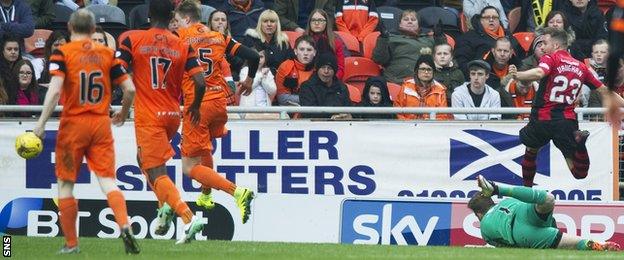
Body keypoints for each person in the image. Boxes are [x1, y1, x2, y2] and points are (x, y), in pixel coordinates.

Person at [31, 8, 138, 254]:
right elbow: (130, 90)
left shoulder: (63, 52)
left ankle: (71, 244)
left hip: (73, 125)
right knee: (108, 180)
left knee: (66, 184)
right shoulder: (107, 53)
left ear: (69, 28)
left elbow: (56, 90)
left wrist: (41, 123)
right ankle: (124, 224)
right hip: (100, 124)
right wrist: (123, 112)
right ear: (93, 30)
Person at [154, 0, 257, 233]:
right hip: (220, 103)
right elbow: (251, 55)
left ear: (187, 19)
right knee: (204, 150)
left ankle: (237, 192)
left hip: (198, 105)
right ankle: (206, 195)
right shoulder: (218, 36)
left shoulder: (178, 38)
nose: (176, 24)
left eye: (178, 21)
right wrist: (249, 78)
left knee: (190, 167)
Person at [116, 0, 207, 244]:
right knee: (142, 159)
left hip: (149, 116)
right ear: (171, 16)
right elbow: (200, 82)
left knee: (156, 171)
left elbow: (118, 70)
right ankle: (164, 207)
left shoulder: (131, 38)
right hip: (172, 115)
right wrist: (195, 106)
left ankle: (188, 217)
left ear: (147, 14)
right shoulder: (182, 44)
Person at [508, 27, 624, 187]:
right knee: (579, 173)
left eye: (545, 43)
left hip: (542, 118)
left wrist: (517, 75)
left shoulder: (551, 58)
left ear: (556, 45)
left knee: (530, 151)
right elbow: (606, 91)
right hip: (566, 123)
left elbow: (539, 73)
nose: (541, 47)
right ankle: (581, 144)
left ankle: (527, 190)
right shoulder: (582, 67)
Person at [469, 175, 621, 251]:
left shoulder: (484, 229)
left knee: (576, 243)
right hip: (526, 212)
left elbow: (507, 248)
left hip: (521, 233)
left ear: (478, 214)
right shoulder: (504, 202)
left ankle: (600, 245)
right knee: (548, 198)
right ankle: (496, 189)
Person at [372, 9, 443, 84]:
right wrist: (383, 38)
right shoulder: (390, 38)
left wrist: (439, 37)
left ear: (418, 24)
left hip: (427, 81)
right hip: (399, 81)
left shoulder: (429, 39)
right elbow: (379, 59)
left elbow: (445, 55)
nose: (410, 21)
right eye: (406, 19)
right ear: (400, 24)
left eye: (413, 19)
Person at [455, 6, 524, 77]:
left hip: (513, 77)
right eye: (487, 17)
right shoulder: (468, 37)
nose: (491, 20)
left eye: (494, 17)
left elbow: (522, 57)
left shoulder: (509, 36)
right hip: (483, 78)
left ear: (499, 20)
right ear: (481, 20)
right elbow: (462, 64)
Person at [394, 54, 451, 120]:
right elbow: (397, 109)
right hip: (407, 126)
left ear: (433, 72)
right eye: (423, 69)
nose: (426, 72)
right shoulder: (406, 86)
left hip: (431, 127)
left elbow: (442, 116)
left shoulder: (440, 90)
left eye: (429, 69)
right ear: (417, 71)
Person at [299, 53, 351, 119]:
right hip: (316, 126)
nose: (326, 71)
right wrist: (331, 117)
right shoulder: (307, 87)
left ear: (334, 71)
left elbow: (349, 109)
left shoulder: (342, 87)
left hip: (341, 125)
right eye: (323, 67)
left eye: (329, 68)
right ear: (317, 69)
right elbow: (309, 113)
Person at [242, 9, 292, 75]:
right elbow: (242, 62)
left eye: (272, 21)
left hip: (277, 78)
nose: (269, 24)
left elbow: (289, 64)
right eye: (265, 21)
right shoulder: (250, 38)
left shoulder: (283, 42)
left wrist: (272, 71)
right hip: (252, 77)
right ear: (260, 24)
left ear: (277, 24)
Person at [276, 35, 316, 106]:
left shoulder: (319, 69)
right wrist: (309, 99)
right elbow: (282, 98)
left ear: (314, 52)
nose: (305, 53)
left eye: (309, 50)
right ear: (295, 51)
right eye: (302, 49)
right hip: (289, 112)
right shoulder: (285, 67)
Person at [305, 9, 345, 80]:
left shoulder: (335, 42)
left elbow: (340, 68)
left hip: (330, 80)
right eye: (313, 20)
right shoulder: (303, 40)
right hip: (307, 79)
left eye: (320, 20)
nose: (316, 23)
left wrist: (331, 80)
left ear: (326, 23)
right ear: (309, 23)